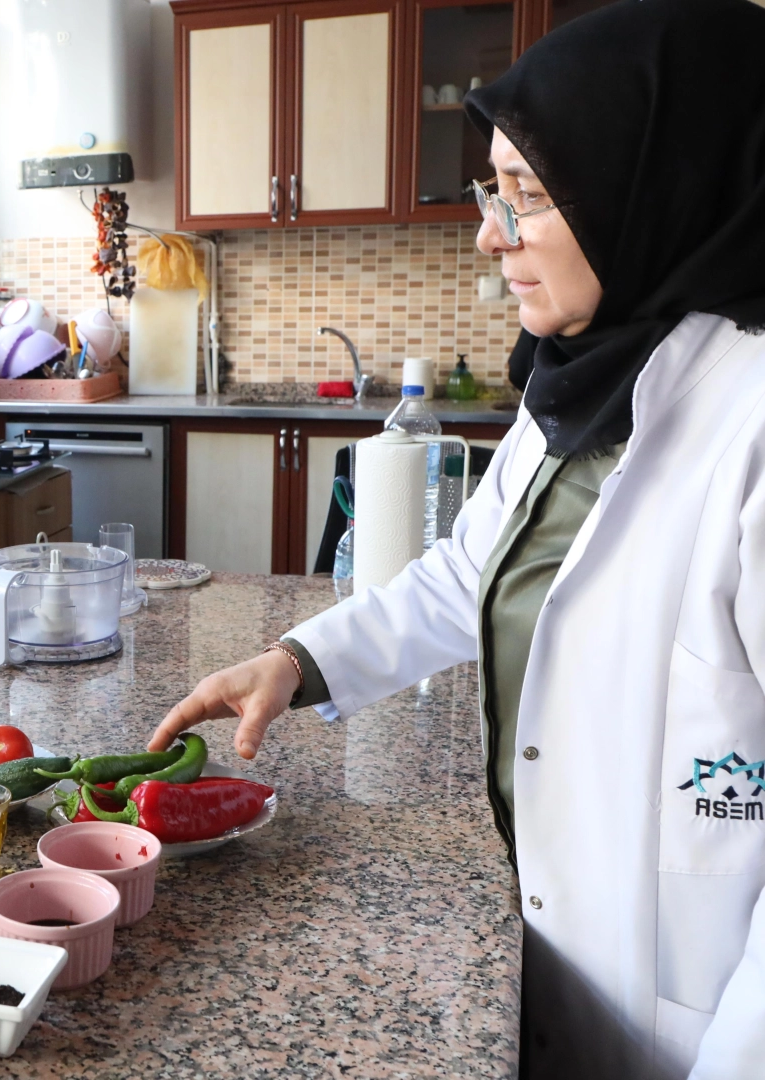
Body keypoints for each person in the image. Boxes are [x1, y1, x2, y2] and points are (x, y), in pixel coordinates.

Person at [148, 1, 765, 1076]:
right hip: (561, 969)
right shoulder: (580, 378)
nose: (488, 232)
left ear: (652, 186)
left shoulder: (750, 423)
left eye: (528, 196)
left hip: (701, 1024)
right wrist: (296, 661)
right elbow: (469, 573)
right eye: (495, 190)